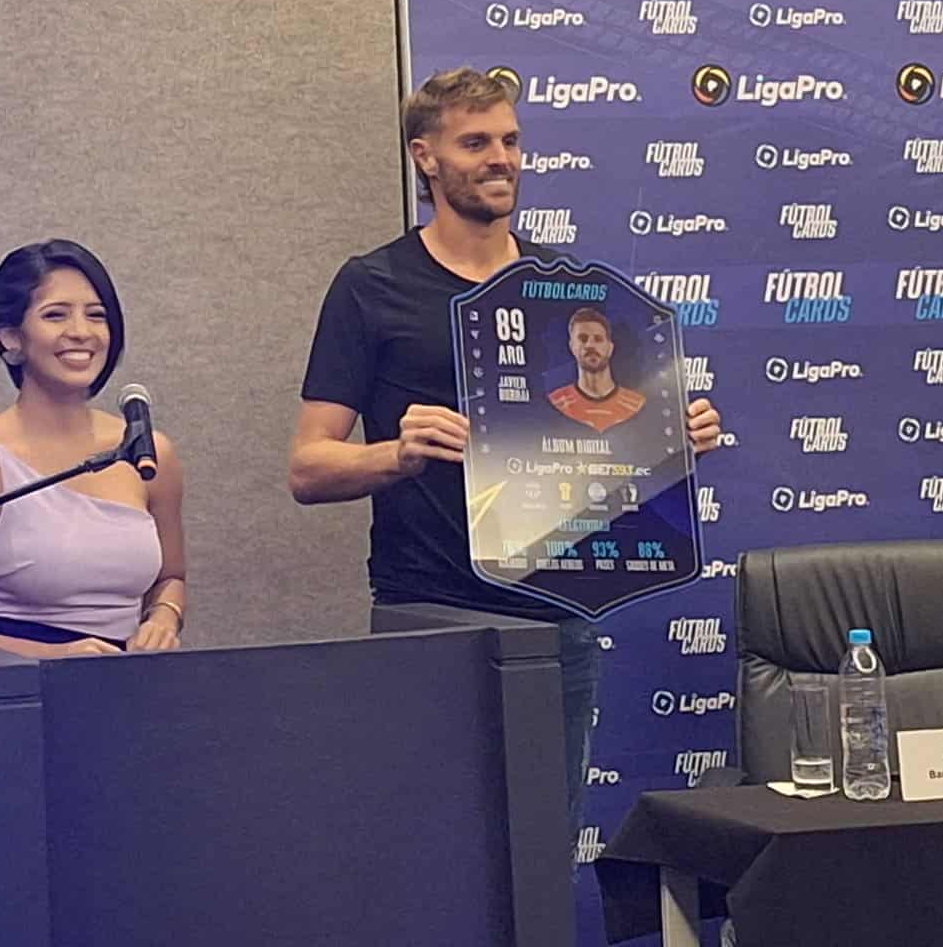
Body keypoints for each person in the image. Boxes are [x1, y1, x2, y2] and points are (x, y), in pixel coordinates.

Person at [288, 66, 721, 838]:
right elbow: (308, 467)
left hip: (557, 617)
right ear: (425, 157)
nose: (501, 158)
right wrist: (397, 454)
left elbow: (599, 459)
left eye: (511, 141)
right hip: (429, 614)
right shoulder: (371, 286)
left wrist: (669, 444)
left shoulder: (566, 292)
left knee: (544, 855)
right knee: (430, 855)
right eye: (476, 142)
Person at [0, 240, 187, 659]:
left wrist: (163, 618)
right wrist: (48, 657)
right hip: (21, 687)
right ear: (10, 336)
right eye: (55, 315)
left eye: (96, 315)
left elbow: (171, 577)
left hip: (131, 685)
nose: (81, 331)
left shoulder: (148, 453)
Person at [547, 306, 646, 432]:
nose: (590, 345)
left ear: (610, 348)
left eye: (598, 339)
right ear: (572, 346)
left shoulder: (637, 405)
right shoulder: (555, 403)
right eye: (583, 339)